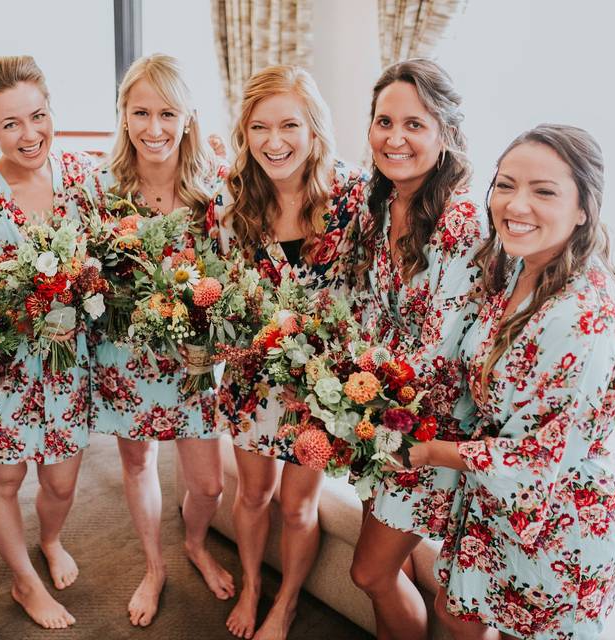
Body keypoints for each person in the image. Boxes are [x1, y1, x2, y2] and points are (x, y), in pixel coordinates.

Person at [414, 124, 615, 640]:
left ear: (584, 208)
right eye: (506, 184)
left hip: (562, 521)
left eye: (544, 191)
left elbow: (540, 459)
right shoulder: (516, 268)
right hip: (494, 506)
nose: (516, 205)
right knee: (455, 612)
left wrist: (431, 451)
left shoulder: (585, 317)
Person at [210, 64, 369, 640]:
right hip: (254, 381)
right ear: (245, 134)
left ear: (314, 128)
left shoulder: (354, 199)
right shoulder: (233, 205)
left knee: (299, 507)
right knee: (252, 494)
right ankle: (253, 587)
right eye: (259, 128)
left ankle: (288, 602)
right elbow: (223, 294)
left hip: (322, 390)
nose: (274, 142)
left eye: (289, 126)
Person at [87, 53, 234, 627]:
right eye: (140, 112)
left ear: (189, 117)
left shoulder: (215, 190)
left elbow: (233, 276)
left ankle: (195, 543)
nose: (154, 128)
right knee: (139, 461)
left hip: (193, 360)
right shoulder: (102, 189)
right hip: (125, 356)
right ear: (123, 116)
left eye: (167, 113)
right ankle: (155, 565)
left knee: (208, 483)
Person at [0, 55, 95, 630]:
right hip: (5, 365)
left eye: (38, 116)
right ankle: (25, 581)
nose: (29, 134)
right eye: (11, 124)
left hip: (68, 363)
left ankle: (52, 539)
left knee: (61, 479)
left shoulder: (81, 175)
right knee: (6, 478)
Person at [347, 59, 486, 640]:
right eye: (384, 121)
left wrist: (359, 394)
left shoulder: (463, 222)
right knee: (390, 564)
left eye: (414, 124)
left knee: (369, 572)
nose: (394, 138)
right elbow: (368, 306)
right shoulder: (379, 203)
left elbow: (440, 349)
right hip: (379, 416)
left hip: (433, 430)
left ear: (446, 132)